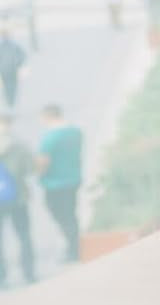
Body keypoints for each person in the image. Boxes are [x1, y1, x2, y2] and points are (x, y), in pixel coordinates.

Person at [36, 105, 81, 264]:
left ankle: (73, 250)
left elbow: (43, 162)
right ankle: (75, 247)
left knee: (61, 215)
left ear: (48, 117)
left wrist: (38, 174)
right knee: (71, 214)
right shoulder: (76, 132)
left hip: (55, 183)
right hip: (73, 179)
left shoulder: (50, 138)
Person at [0, 114, 36, 286]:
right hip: (18, 198)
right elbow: (30, 169)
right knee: (24, 236)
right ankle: (28, 272)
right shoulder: (19, 146)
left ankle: (1, 276)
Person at [0, 33, 24, 110]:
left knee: (8, 86)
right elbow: (22, 55)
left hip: (5, 69)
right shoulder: (14, 45)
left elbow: (21, 55)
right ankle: (11, 101)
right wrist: (19, 63)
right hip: (11, 69)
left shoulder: (10, 46)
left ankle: (10, 101)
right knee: (12, 86)